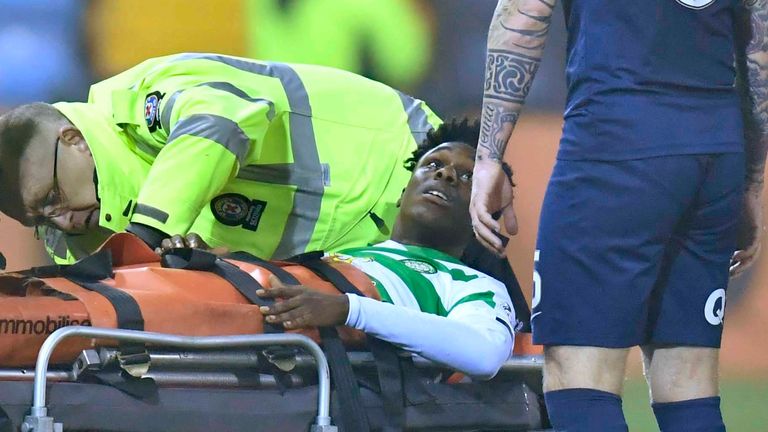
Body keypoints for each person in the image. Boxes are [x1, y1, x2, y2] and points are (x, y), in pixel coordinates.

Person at [470, 1, 768, 431]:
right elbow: (759, 45)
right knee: (687, 380)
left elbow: (523, 12)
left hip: (616, 142)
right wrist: (751, 182)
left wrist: (487, 157)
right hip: (716, 148)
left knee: (578, 378)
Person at [0, 53, 439, 263]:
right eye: (38, 218)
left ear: (74, 139)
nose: (60, 222)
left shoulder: (136, 99)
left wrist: (148, 233)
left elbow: (221, 120)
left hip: (414, 169)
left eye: (53, 197)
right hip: (361, 253)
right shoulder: (85, 246)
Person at [258, 119, 515, 378]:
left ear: (484, 215)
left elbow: (485, 353)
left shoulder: (473, 285)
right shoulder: (342, 254)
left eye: (467, 176)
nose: (445, 174)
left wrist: (350, 310)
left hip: (265, 328)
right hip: (250, 289)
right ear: (403, 193)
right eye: (433, 164)